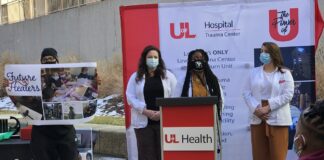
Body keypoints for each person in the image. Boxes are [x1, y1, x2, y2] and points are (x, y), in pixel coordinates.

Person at [243, 42, 294, 160]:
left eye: (266, 52)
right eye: (261, 51)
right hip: (258, 117)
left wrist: (269, 106)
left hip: (278, 118)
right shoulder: (253, 72)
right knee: (259, 155)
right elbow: (246, 93)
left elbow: (288, 95)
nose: (262, 54)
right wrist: (255, 109)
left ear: (273, 54)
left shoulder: (285, 73)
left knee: (278, 156)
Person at [126, 45, 177, 160]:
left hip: (164, 122)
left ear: (159, 59)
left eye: (155, 57)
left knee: (164, 155)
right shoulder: (135, 77)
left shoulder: (169, 76)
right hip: (143, 124)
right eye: (150, 57)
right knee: (146, 156)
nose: (153, 60)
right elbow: (130, 97)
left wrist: (162, 112)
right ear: (144, 59)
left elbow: (175, 97)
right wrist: (145, 111)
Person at [32, 48, 79, 160]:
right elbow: (22, 94)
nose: (48, 61)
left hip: (65, 128)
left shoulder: (66, 76)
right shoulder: (33, 77)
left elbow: (78, 92)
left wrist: (95, 82)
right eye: (45, 59)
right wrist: (9, 85)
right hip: (42, 131)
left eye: (51, 58)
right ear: (41, 62)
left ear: (57, 60)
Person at [179, 49, 224, 157]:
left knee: (207, 153)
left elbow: (221, 100)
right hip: (189, 122)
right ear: (190, 61)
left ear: (206, 61)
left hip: (209, 121)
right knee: (191, 153)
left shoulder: (213, 80)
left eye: (200, 59)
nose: (198, 61)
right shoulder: (182, 80)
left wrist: (216, 115)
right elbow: (176, 101)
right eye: (194, 59)